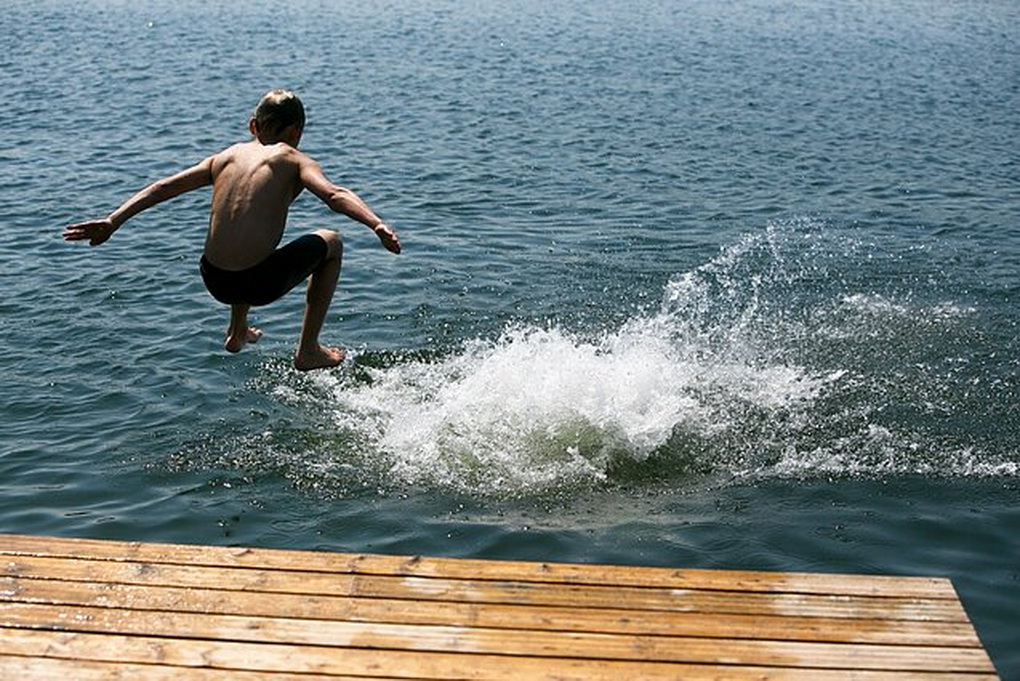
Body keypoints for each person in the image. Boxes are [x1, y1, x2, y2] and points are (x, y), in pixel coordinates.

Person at [64, 89, 401, 371]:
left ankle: (237, 332)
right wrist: (375, 223)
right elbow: (333, 194)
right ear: (297, 132)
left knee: (241, 237)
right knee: (332, 242)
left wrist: (112, 221)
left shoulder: (224, 157)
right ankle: (308, 350)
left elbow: (163, 187)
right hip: (256, 281)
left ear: (253, 125)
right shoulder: (295, 159)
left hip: (213, 278)